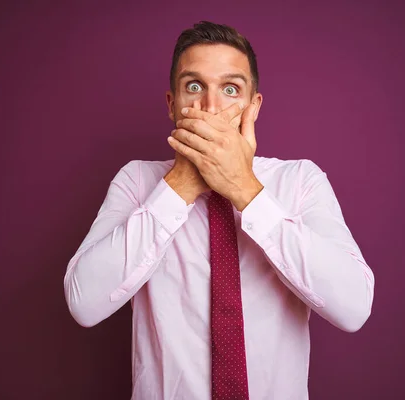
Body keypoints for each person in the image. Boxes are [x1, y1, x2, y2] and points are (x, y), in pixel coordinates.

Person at [64, 21, 375, 400]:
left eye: (230, 89)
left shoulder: (300, 181)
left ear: (253, 106)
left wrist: (244, 187)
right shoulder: (136, 182)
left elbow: (353, 307)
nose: (210, 107)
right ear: (171, 105)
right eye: (194, 86)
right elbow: (84, 302)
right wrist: (180, 185)